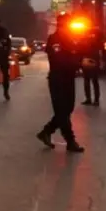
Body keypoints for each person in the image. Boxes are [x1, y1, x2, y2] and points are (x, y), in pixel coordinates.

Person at [36, 13, 85, 153]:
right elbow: (60, 60)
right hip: (58, 79)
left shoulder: (70, 39)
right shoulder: (55, 39)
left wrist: (82, 61)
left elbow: (76, 54)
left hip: (69, 78)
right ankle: (70, 141)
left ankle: (46, 132)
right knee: (62, 111)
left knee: (67, 109)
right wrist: (80, 63)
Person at [79, 18, 103, 106]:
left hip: (93, 58)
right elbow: (80, 46)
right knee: (87, 80)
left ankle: (95, 99)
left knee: (94, 80)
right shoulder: (84, 33)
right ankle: (89, 98)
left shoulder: (97, 33)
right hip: (86, 58)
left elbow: (101, 46)